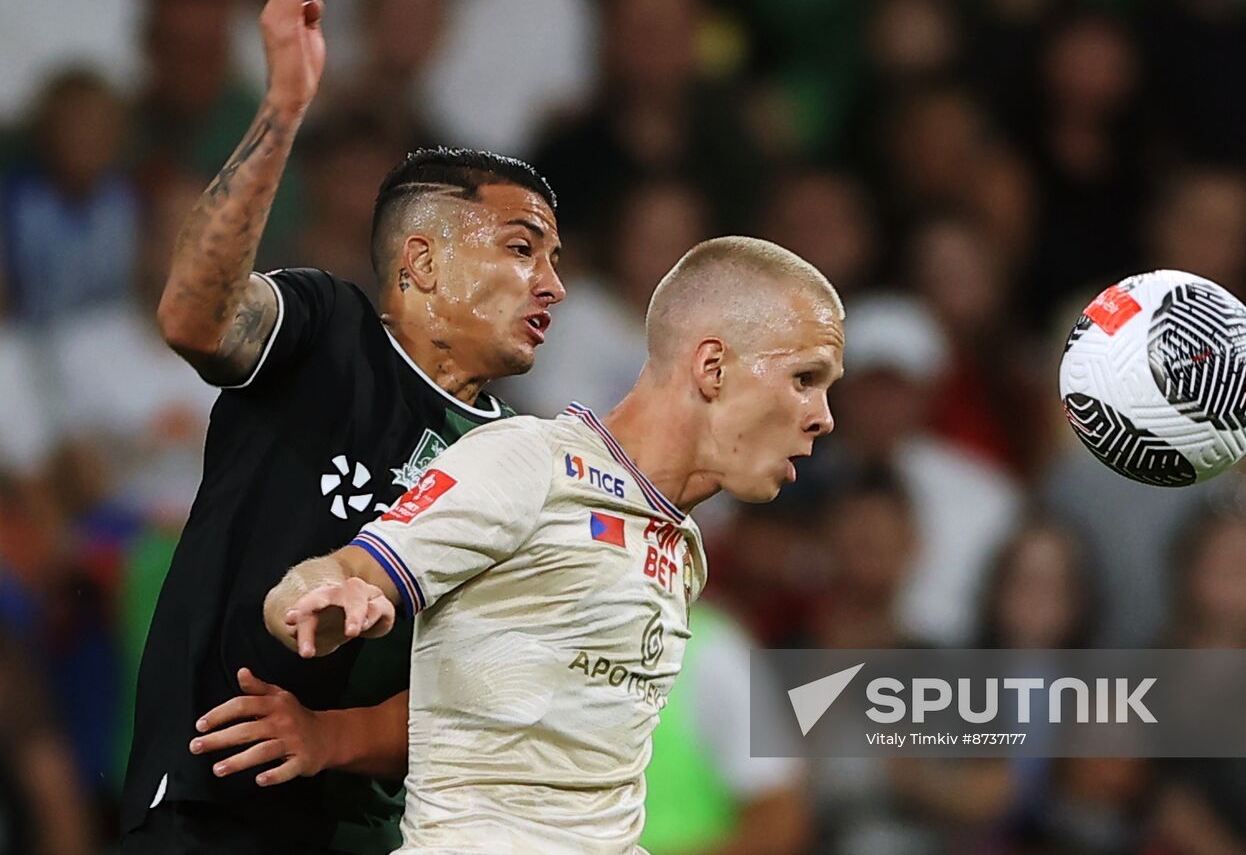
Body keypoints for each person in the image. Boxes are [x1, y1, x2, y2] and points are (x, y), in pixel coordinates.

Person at [120, 0, 567, 855]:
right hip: (219, 807)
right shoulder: (328, 332)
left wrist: (332, 738)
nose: (553, 284)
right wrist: (283, 108)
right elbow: (193, 316)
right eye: (523, 249)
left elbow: (487, 689)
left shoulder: (522, 456)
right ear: (423, 261)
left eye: (556, 260)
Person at [262, 236, 844, 853]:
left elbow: (482, 703)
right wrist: (323, 599)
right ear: (712, 367)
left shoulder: (681, 545)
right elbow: (334, 574)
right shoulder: (529, 462)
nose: (824, 416)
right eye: (806, 378)